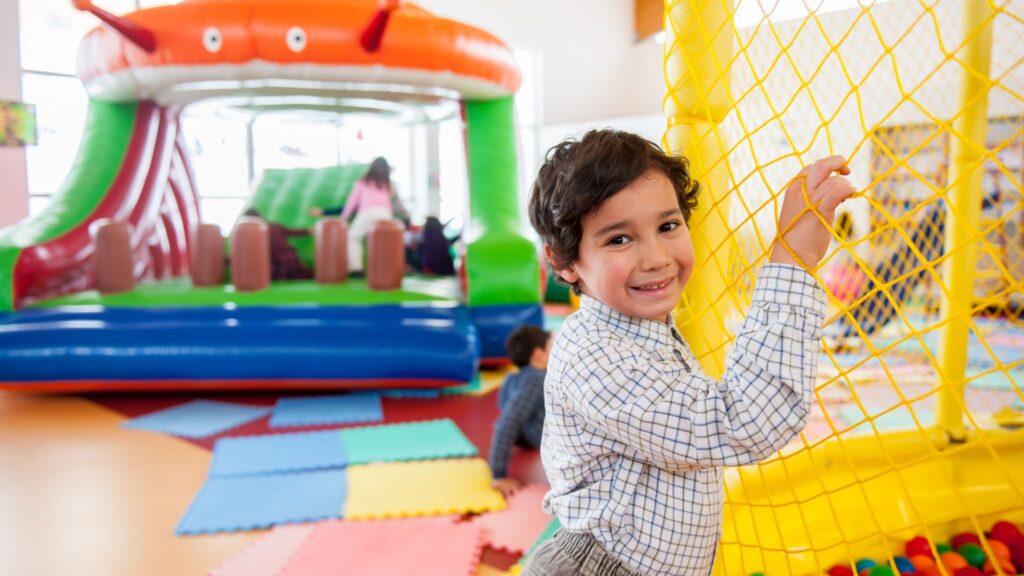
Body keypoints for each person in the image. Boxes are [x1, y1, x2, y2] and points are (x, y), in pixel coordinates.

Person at [523, 130, 854, 576]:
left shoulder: (641, 328)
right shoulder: (596, 358)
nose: (657, 257)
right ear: (564, 263)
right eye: (619, 239)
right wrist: (792, 259)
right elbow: (744, 421)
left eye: (667, 226)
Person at [309, 157, 410, 275]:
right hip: (385, 213)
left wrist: (343, 219)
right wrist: (406, 219)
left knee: (353, 237)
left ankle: (356, 268)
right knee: (382, 241)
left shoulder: (363, 182)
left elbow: (352, 202)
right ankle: (385, 268)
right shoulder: (389, 185)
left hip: (368, 212)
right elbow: (397, 205)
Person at [488, 324, 552, 499]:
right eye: (550, 348)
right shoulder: (535, 379)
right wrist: (498, 474)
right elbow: (507, 423)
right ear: (538, 355)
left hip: (527, 436)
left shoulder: (512, 379)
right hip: (544, 437)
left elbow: (506, 411)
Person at [241, 208, 312, 281]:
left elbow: (246, 253)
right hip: (290, 260)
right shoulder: (275, 227)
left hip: (275, 264)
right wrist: (308, 231)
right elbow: (292, 232)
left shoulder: (254, 232)